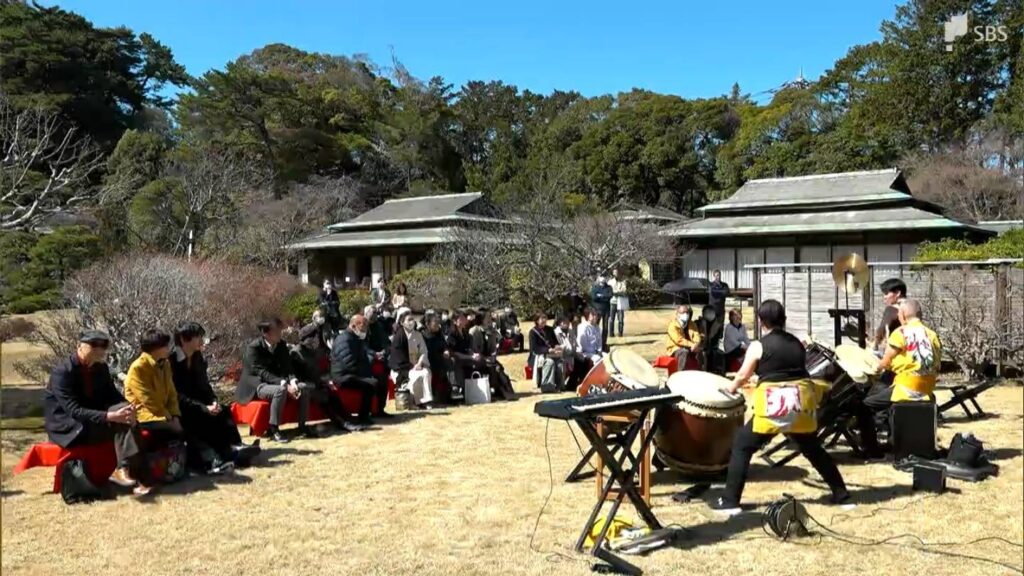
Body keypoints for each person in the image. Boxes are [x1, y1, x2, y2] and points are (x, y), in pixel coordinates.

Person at [713, 300, 850, 513]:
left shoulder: (758, 345)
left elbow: (742, 375)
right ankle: (842, 494)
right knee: (812, 448)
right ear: (783, 319)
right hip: (799, 403)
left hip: (773, 404)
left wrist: (730, 389)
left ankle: (730, 501)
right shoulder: (797, 343)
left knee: (742, 444)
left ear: (761, 321)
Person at [44, 330, 150, 495]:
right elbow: (73, 410)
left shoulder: (101, 368)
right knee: (121, 422)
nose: (99, 350)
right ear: (79, 346)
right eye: (94, 345)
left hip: (93, 418)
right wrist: (109, 416)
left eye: (103, 346)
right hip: (68, 425)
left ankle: (129, 472)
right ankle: (127, 472)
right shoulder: (63, 372)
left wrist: (129, 408)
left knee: (127, 418)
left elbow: (112, 395)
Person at [170, 322, 260, 472]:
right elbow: (176, 395)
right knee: (204, 418)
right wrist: (204, 408)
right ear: (184, 340)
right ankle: (220, 457)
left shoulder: (197, 357)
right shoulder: (171, 361)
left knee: (223, 410)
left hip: (201, 403)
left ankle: (236, 446)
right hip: (182, 408)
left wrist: (213, 401)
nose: (202, 341)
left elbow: (204, 385)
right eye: (198, 337)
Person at [123, 329, 192, 482]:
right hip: (144, 414)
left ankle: (182, 466)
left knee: (189, 421)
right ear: (155, 348)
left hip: (163, 412)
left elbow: (172, 393)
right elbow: (148, 399)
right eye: (165, 346)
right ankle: (153, 471)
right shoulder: (138, 367)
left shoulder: (165, 364)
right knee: (171, 429)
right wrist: (169, 419)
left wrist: (175, 415)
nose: (168, 348)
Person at [237, 318, 317, 443]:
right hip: (258, 383)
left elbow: (287, 366)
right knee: (280, 390)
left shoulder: (281, 345)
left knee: (303, 388)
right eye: (277, 331)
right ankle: (274, 429)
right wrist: (283, 384)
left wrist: (293, 381)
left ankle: (302, 426)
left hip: (277, 380)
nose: (280, 333)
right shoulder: (254, 348)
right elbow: (260, 371)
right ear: (267, 334)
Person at [867, 299, 942, 413]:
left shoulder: (901, 333)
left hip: (907, 387)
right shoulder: (932, 334)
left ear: (902, 314)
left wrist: (875, 367)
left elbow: (886, 362)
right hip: (928, 388)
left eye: (898, 315)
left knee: (867, 404)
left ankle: (879, 424)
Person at [287, 324, 366, 432]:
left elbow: (317, 371)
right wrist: (317, 383)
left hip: (316, 383)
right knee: (324, 396)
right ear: (307, 338)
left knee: (332, 393)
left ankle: (347, 417)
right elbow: (294, 375)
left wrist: (325, 380)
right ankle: (342, 423)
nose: (317, 340)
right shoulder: (296, 353)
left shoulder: (313, 351)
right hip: (303, 387)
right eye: (315, 336)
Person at [390, 310, 433, 410]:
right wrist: (411, 366)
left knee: (426, 372)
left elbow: (423, 351)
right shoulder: (399, 337)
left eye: (412, 319)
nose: (411, 322)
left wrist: (420, 363)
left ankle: (426, 401)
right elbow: (398, 357)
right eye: (408, 320)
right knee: (414, 376)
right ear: (402, 322)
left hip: (417, 364)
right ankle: (413, 401)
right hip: (403, 367)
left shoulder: (418, 335)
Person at [470, 309, 516, 400]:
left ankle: (504, 390)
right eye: (487, 317)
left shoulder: (492, 331)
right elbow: (474, 350)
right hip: (477, 359)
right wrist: (485, 358)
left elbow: (493, 349)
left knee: (498, 368)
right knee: (492, 367)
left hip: (489, 359)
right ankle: (497, 390)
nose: (490, 319)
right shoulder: (474, 331)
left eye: (490, 317)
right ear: (481, 318)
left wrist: (493, 356)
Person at [363, 305, 392, 415]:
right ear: (366, 313)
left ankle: (380, 409)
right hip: (367, 360)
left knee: (383, 383)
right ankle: (369, 409)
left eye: (376, 312)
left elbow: (386, 342)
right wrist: (374, 354)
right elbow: (362, 345)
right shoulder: (362, 325)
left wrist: (384, 351)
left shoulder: (379, 326)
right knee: (371, 385)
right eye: (372, 312)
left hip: (381, 359)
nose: (374, 314)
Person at [529, 313, 563, 392]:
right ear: (537, 321)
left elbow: (555, 342)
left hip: (551, 354)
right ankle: (547, 386)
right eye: (542, 318)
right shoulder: (533, 332)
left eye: (545, 318)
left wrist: (557, 347)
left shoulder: (550, 329)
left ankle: (559, 386)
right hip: (538, 355)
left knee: (560, 363)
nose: (544, 320)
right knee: (550, 362)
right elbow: (534, 348)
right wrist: (547, 350)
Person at [422, 313, 451, 403]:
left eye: (438, 322)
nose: (438, 324)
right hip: (428, 360)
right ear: (428, 324)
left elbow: (444, 346)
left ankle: (445, 393)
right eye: (435, 322)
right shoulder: (423, 335)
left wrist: (446, 350)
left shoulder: (439, 334)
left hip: (440, 360)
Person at [874, 278, 907, 353]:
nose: (884, 297)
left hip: (894, 351)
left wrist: (876, 345)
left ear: (898, 293)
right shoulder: (913, 307)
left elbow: (881, 330)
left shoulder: (891, 309)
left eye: (886, 293)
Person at [666, 305, 703, 369]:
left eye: (687, 312)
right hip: (676, 348)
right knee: (684, 352)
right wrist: (691, 344)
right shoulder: (672, 325)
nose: (685, 314)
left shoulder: (692, 324)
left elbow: (696, 335)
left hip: (691, 347)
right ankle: (681, 373)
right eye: (683, 312)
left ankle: (700, 371)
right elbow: (678, 340)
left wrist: (696, 345)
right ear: (678, 314)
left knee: (701, 352)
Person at [554, 315, 583, 390]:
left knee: (582, 360)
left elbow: (576, 345)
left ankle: (573, 384)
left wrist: (578, 352)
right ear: (559, 322)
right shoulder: (555, 333)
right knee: (564, 363)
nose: (565, 323)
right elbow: (558, 348)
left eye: (567, 321)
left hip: (572, 355)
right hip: (562, 356)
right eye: (563, 321)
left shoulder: (571, 331)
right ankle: (561, 385)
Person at [590, 275, 614, 351]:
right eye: (601, 277)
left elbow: (610, 296)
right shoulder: (595, 287)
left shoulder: (609, 287)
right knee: (595, 327)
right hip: (597, 310)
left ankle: (603, 343)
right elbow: (593, 297)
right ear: (599, 279)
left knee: (605, 328)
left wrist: (600, 296)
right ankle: (595, 342)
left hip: (606, 310)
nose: (603, 279)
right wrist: (603, 297)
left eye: (604, 277)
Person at [608, 268, 629, 339]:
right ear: (613, 273)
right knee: (611, 319)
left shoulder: (623, 282)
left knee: (621, 320)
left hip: (620, 302)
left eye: (617, 272)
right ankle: (611, 333)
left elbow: (624, 291)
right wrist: (617, 292)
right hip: (612, 302)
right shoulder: (610, 282)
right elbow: (610, 291)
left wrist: (616, 292)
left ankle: (620, 333)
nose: (616, 274)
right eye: (615, 272)